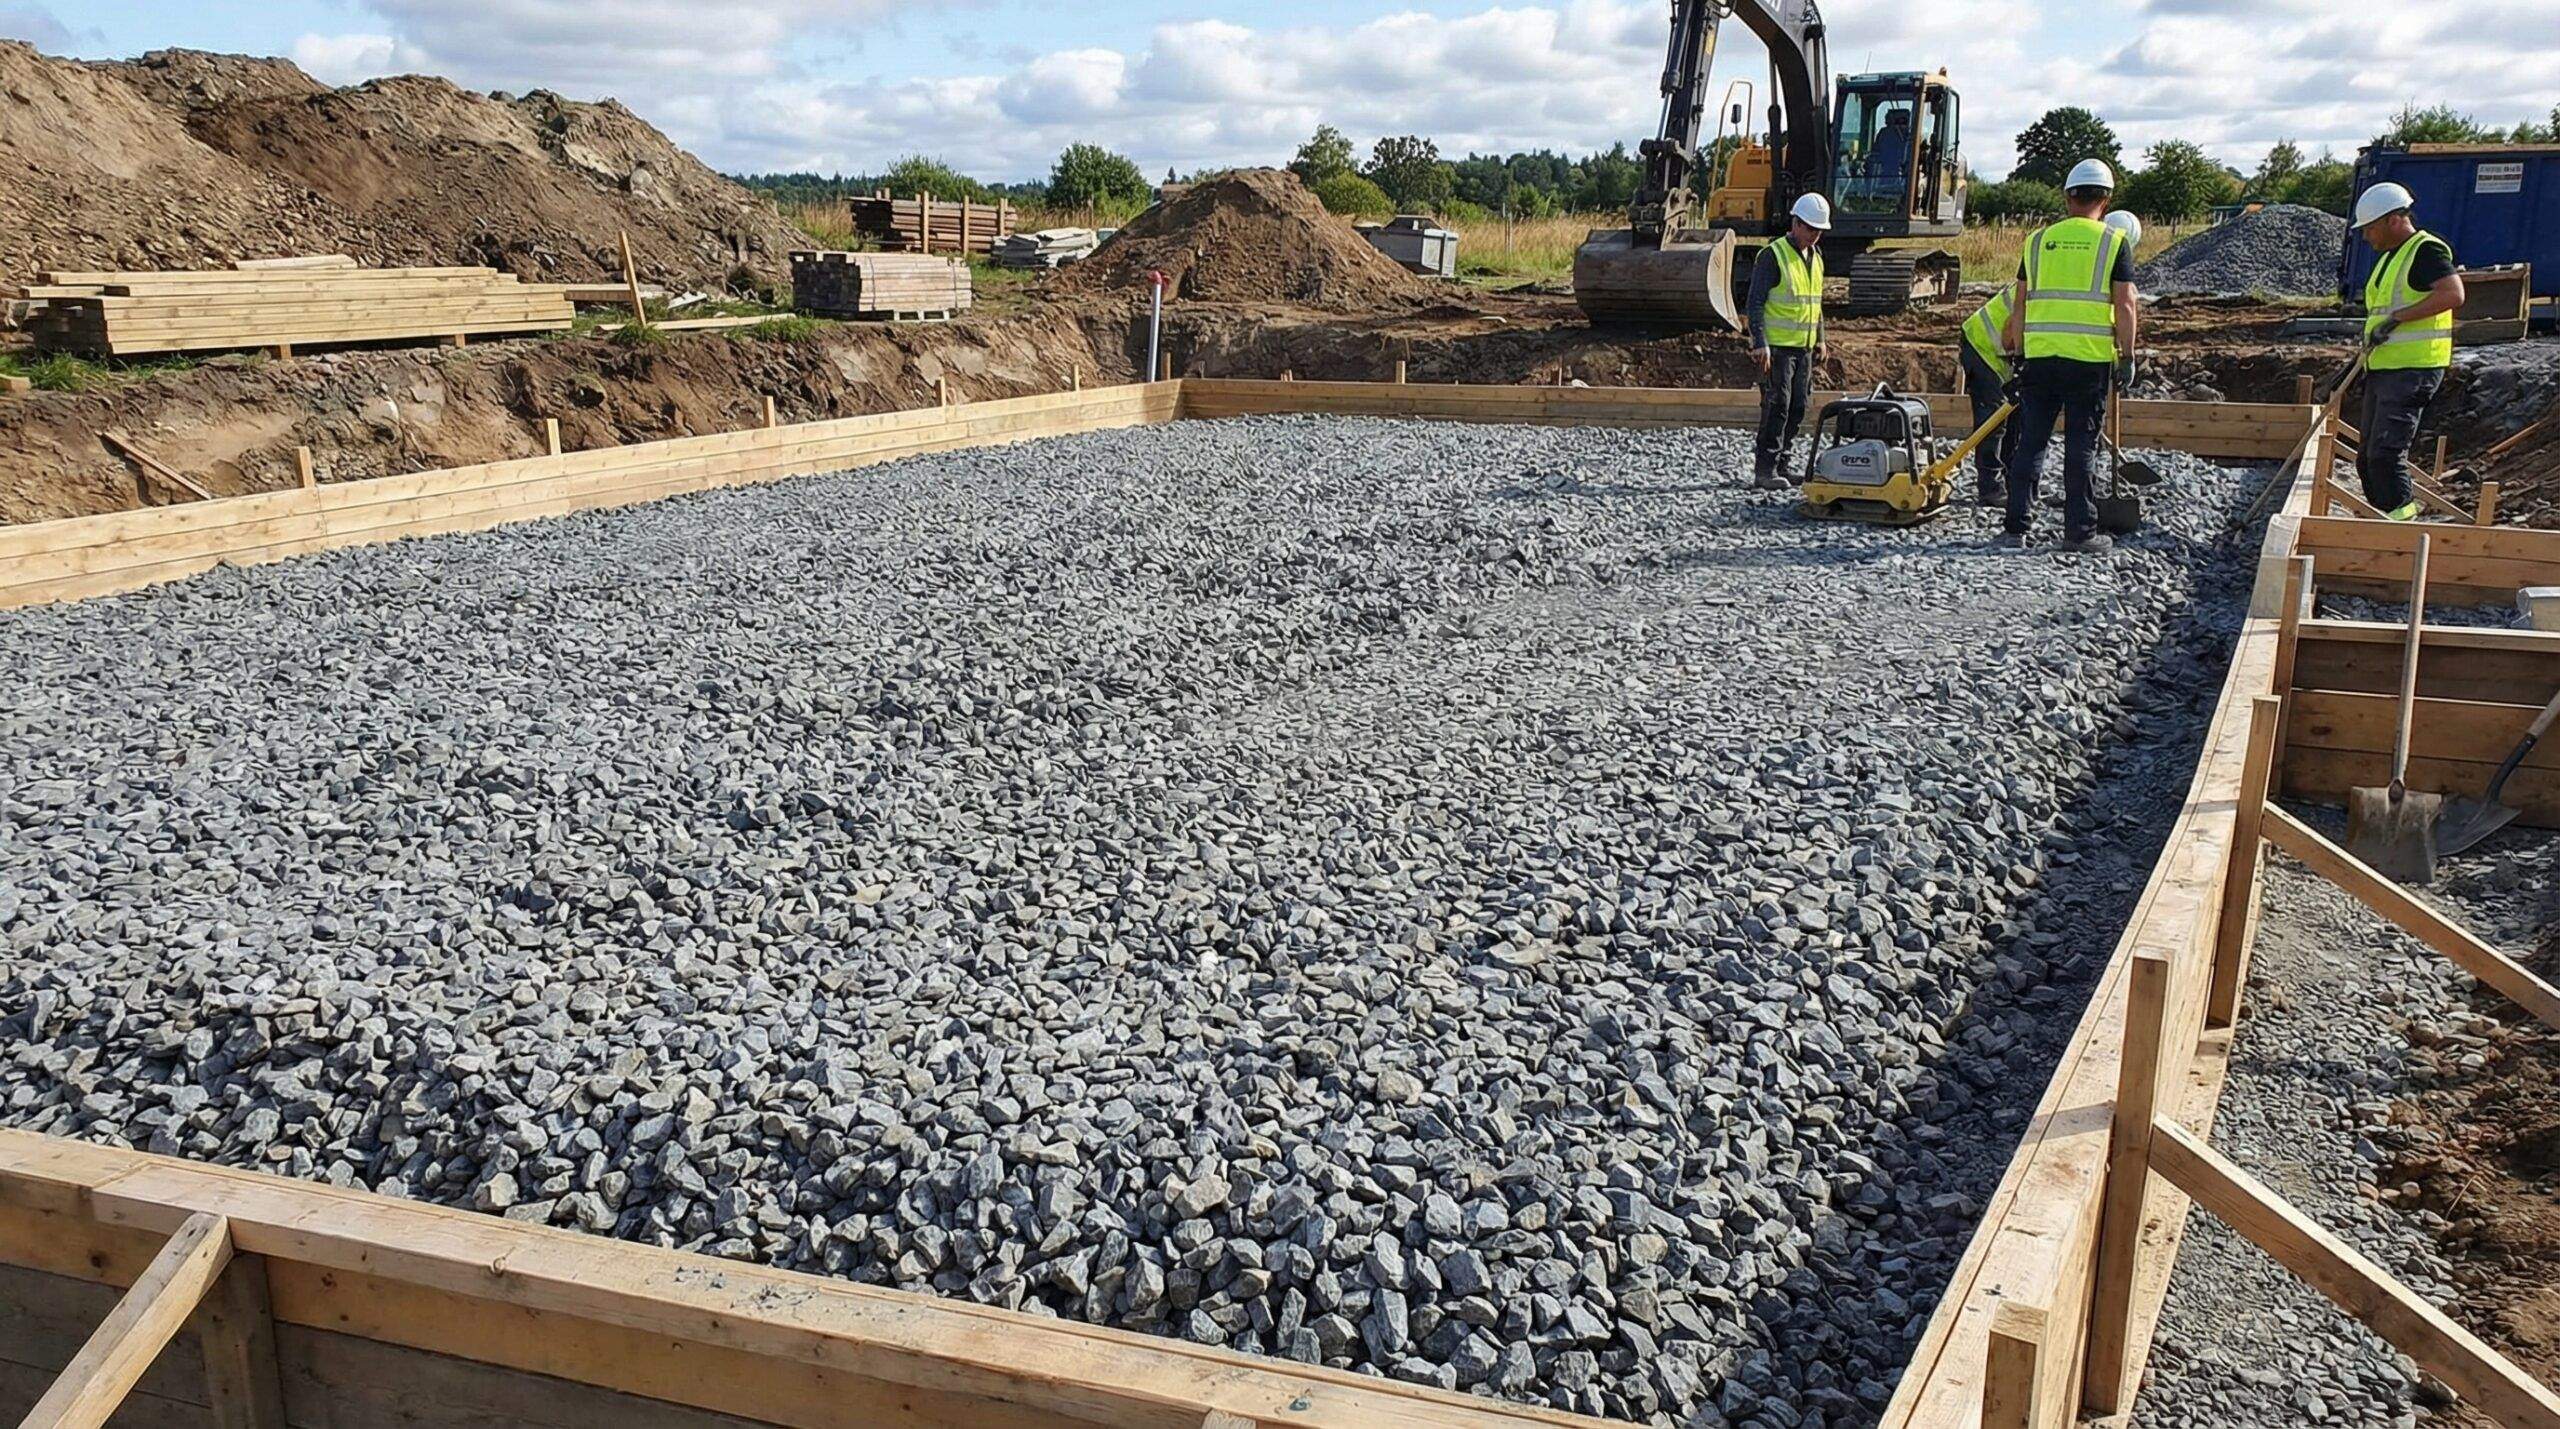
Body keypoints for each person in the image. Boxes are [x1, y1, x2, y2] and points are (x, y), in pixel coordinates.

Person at [1956, 208, 2139, 509]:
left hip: (2012, 353)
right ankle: (1989, 488)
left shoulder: (2076, 277)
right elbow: (2008, 334)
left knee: (2019, 420)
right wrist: (2022, 359)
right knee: (1993, 421)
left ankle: (2021, 491)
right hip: (1984, 346)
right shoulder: (2056, 276)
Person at [2000, 159, 2138, 553]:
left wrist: (2020, 354)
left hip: (2041, 359)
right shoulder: (2114, 242)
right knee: (2081, 447)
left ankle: (2015, 529)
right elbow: (2126, 304)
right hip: (2088, 362)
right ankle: (2079, 532)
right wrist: (2126, 357)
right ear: (2106, 200)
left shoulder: (2038, 241)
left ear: (2068, 196)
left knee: (2031, 443)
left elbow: (2021, 303)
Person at [2351, 181, 2463, 521]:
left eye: (2370, 228)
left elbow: (2453, 294)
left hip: (2413, 370)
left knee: (2385, 455)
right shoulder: (2390, 257)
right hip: (2384, 367)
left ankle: (2402, 530)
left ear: (2393, 220)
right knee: (2366, 458)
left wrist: (2398, 318)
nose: (2367, 236)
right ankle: (2381, 519)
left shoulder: (2426, 251)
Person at [1749, 193, 1831, 490]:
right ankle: (1765, 469)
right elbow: (1756, 301)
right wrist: (1760, 341)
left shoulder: (1816, 257)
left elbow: (1815, 302)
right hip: (1778, 348)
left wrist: (1821, 338)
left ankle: (1783, 464)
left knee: (1798, 406)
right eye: (1810, 229)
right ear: (1795, 223)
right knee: (1777, 405)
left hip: (1804, 347)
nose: (1815, 235)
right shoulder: (1773, 255)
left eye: (1819, 231)